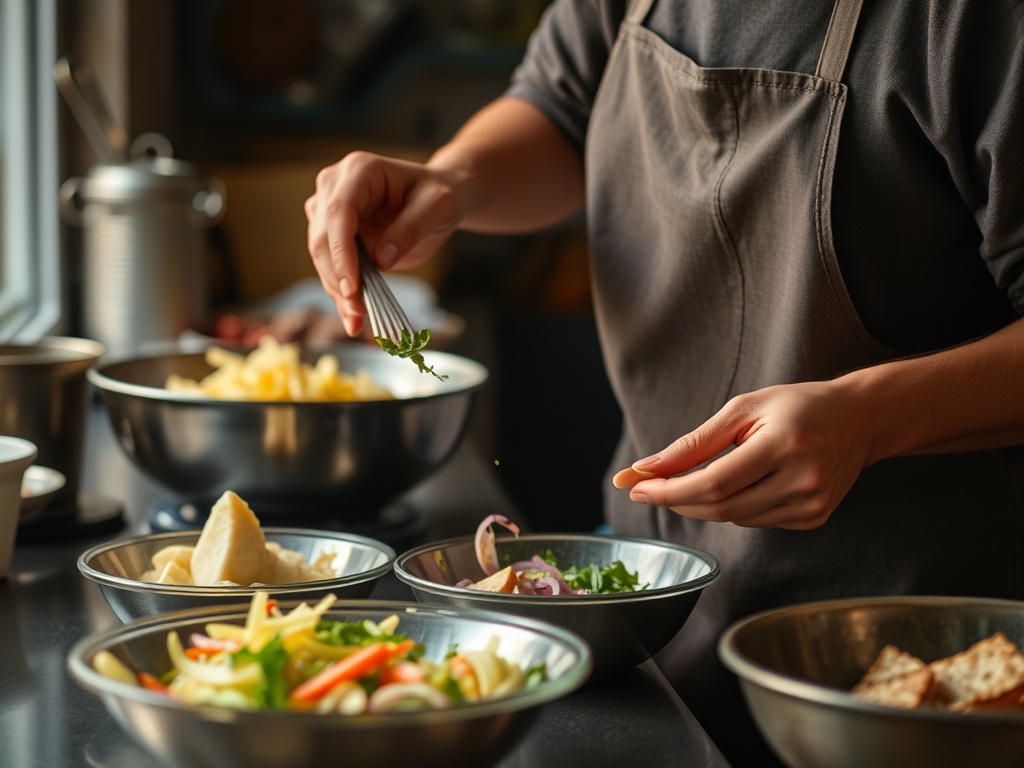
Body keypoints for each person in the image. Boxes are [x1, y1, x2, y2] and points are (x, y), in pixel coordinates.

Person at [304, 1, 1024, 764]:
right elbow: (558, 107)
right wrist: (450, 182)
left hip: (902, 673)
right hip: (657, 621)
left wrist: (870, 418)